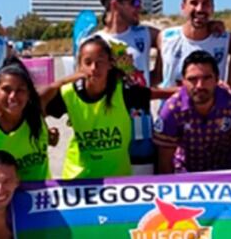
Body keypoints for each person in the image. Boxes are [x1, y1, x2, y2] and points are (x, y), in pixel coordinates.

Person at [44, 36, 170, 179]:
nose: (94, 68)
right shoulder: (68, 93)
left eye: (100, 62)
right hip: (77, 178)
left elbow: (161, 93)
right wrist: (44, 131)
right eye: (88, 62)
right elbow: (34, 108)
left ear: (110, 64)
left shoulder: (124, 92)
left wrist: (192, 89)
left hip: (116, 180)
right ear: (79, 66)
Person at [94, 0, 162, 174]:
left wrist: (155, 75)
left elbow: (175, 38)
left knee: (143, 188)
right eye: (135, 2)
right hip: (109, 131)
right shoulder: (94, 42)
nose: (139, 7)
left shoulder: (144, 34)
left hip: (141, 129)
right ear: (115, 4)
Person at [154, 50, 231, 174]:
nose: (200, 85)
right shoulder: (172, 109)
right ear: (183, 81)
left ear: (217, 79)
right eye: (192, 79)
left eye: (206, 78)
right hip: (186, 173)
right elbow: (164, 158)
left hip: (227, 170)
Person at [160, 0, 231, 91]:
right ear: (183, 7)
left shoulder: (227, 40)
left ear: (212, 8)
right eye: (194, 3)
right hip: (171, 106)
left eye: (205, 3)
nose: (200, 9)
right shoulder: (165, 38)